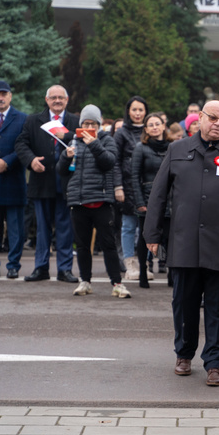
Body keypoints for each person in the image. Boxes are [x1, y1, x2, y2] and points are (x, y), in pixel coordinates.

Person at [143, 101, 219, 387]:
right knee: (184, 302)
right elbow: (158, 195)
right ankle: (183, 354)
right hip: (184, 241)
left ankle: (215, 363)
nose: (217, 124)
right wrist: (152, 234)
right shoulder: (177, 150)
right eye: (213, 118)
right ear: (200, 119)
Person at [57, 104, 129, 298]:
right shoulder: (73, 140)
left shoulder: (107, 139)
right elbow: (61, 171)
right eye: (85, 123)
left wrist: (94, 143)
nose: (89, 127)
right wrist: (65, 156)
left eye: (93, 124)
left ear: (98, 125)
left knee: (108, 244)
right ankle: (85, 282)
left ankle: (117, 283)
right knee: (82, 245)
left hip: (101, 199)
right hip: (78, 200)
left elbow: (109, 162)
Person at [15, 84, 79, 283]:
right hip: (41, 182)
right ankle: (41, 268)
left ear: (67, 100)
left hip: (66, 184)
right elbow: (21, 143)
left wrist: (67, 136)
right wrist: (31, 160)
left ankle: (64, 269)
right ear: (47, 100)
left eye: (61, 97)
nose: (57, 101)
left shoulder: (75, 121)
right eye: (53, 98)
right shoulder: (34, 120)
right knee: (42, 228)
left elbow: (83, 139)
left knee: (65, 229)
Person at [131, 113, 173, 288]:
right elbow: (134, 177)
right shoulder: (141, 147)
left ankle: (172, 273)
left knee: (171, 238)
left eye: (158, 123)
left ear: (163, 126)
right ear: (146, 129)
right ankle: (143, 271)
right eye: (151, 125)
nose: (155, 127)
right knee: (144, 237)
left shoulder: (173, 146)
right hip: (148, 199)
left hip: (171, 199)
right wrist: (140, 202)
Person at [113, 95, 149, 281]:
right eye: (134, 109)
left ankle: (145, 263)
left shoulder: (151, 130)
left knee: (148, 227)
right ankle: (130, 264)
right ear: (128, 111)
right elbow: (115, 162)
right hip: (127, 185)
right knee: (128, 226)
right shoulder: (121, 133)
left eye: (141, 110)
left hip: (148, 186)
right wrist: (118, 186)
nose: (137, 113)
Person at [0, 80, 27, 279]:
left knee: (16, 228)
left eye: (4, 94)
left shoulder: (22, 119)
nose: (0, 98)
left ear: (10, 96)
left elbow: (23, 146)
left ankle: (13, 264)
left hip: (13, 180)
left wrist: (6, 161)